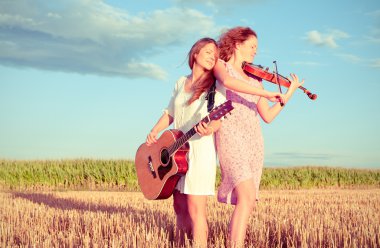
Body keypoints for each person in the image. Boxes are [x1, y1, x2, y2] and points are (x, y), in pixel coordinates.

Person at [213, 26, 304, 246]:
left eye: (256, 47)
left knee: (249, 200)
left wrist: (288, 93)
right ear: (237, 44)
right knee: (245, 195)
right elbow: (229, 83)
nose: (255, 51)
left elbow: (268, 116)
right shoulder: (221, 66)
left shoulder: (256, 79)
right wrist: (265, 93)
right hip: (230, 136)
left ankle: (236, 243)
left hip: (253, 141)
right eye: (252, 46)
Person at [145, 37, 225, 247]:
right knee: (179, 207)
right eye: (208, 51)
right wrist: (155, 131)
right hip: (175, 154)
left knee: (196, 209)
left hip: (199, 153)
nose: (212, 56)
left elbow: (218, 119)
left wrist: (210, 128)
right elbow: (170, 113)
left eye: (215, 55)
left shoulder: (215, 87)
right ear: (195, 54)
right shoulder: (181, 82)